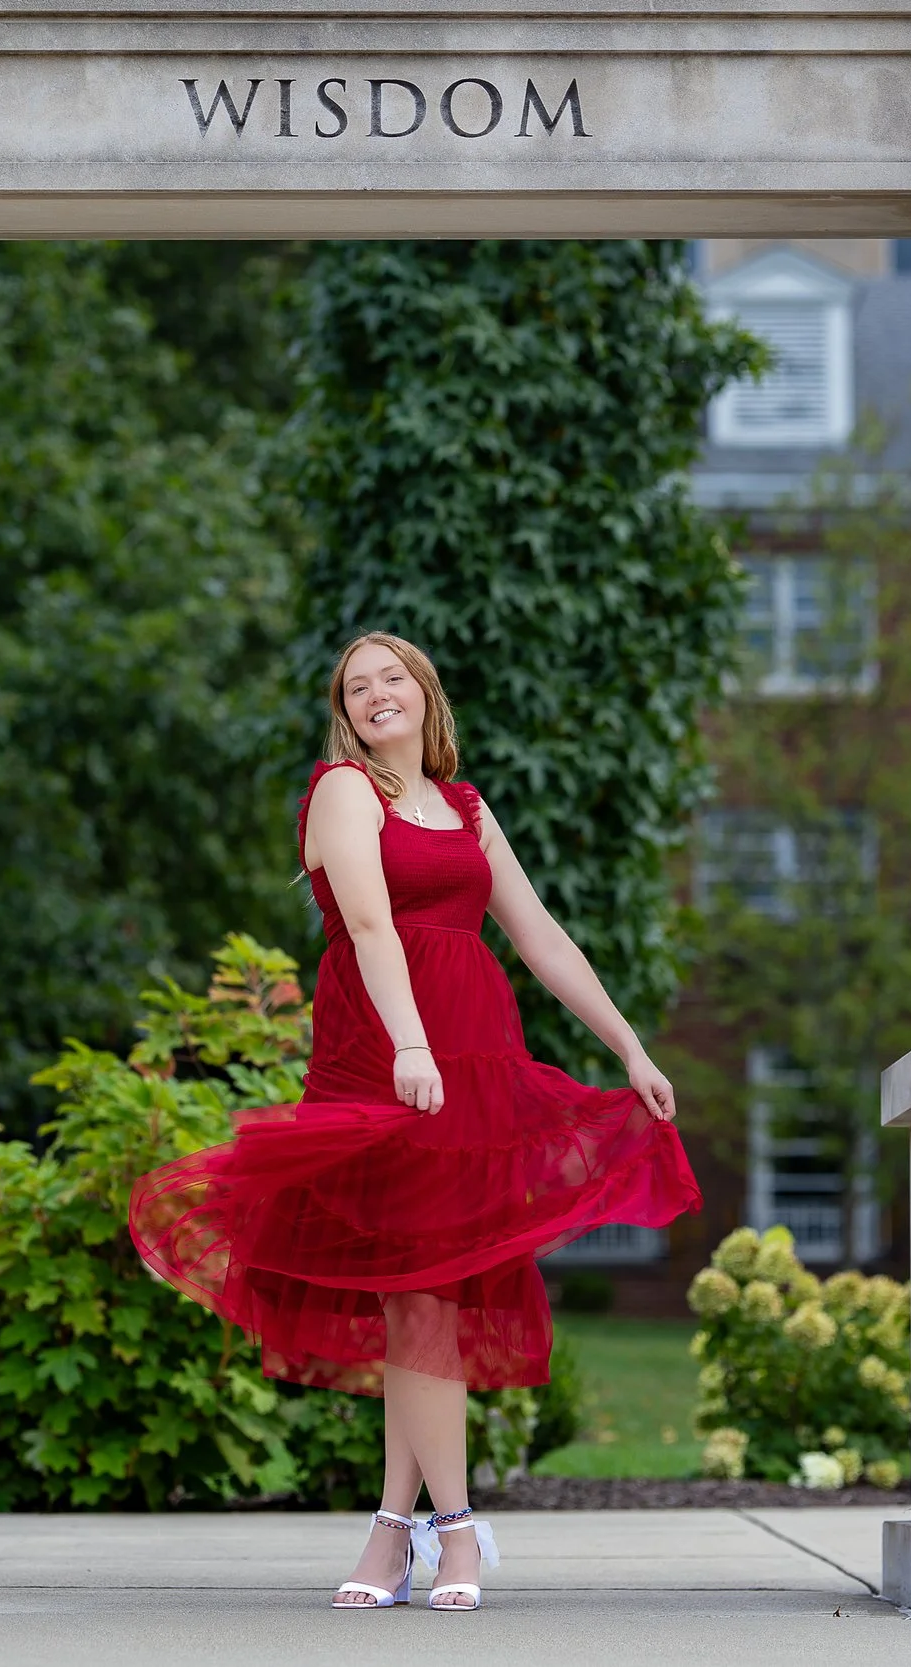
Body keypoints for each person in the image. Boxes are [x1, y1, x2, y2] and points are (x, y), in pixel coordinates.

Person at [129, 632, 701, 1612]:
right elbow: (366, 923)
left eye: (392, 677)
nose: (375, 693)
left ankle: (393, 1531)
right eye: (357, 686)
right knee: (420, 1292)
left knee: (419, 1295)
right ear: (344, 713)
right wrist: (407, 1045)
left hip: (470, 1065)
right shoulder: (344, 791)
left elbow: (539, 934)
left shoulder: (466, 807)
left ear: (425, 695)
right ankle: (459, 1528)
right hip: (387, 1058)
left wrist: (628, 1047)